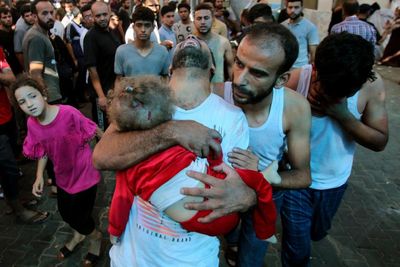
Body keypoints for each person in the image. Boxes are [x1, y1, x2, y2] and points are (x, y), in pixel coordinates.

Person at [107, 35, 257, 266]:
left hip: (191, 257)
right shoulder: (141, 103)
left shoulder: (233, 117)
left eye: (200, 42)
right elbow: (102, 156)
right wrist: (175, 131)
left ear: (212, 68)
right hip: (134, 255)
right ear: (169, 68)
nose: (191, 37)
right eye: (183, 40)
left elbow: (236, 190)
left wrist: (250, 191)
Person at [107, 75, 276, 251]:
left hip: (196, 221)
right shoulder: (178, 140)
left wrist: (114, 231)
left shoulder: (126, 161)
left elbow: (120, 201)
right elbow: (211, 153)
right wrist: (216, 162)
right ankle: (266, 226)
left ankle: (264, 187)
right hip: (213, 216)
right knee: (256, 182)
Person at [283, 32, 388, 266]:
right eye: (325, 86)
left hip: (334, 183)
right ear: (315, 67)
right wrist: (299, 109)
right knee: (297, 248)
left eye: (340, 93)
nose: (328, 94)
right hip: (295, 180)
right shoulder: (298, 79)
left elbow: (380, 141)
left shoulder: (371, 85)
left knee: (317, 232)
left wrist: (343, 115)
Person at [214, 22, 312, 267]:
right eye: (238, 63)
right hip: (221, 189)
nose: (240, 80)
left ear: (281, 79)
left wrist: (265, 176)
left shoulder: (294, 108)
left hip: (266, 195)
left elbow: (303, 176)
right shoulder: (215, 96)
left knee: (250, 260)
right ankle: (232, 240)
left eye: (257, 73)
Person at [12, 74, 104, 266]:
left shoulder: (68, 113)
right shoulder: (32, 123)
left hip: (84, 173)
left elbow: (94, 130)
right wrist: (38, 176)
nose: (29, 104)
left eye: (32, 96)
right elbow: (43, 149)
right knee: (66, 213)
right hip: (63, 176)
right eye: (22, 101)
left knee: (80, 216)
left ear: (44, 94)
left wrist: (111, 154)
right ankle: (79, 236)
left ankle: (95, 238)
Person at [84, 1, 121, 130]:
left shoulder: (111, 32)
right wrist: (101, 96)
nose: (102, 18)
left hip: (114, 90)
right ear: (93, 17)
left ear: (110, 12)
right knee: (103, 131)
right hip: (102, 93)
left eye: (104, 14)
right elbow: (92, 69)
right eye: (98, 16)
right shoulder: (91, 37)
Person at [114, 6, 169, 81]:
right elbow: (118, 80)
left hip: (156, 92)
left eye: (147, 25)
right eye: (139, 25)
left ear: (153, 27)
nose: (143, 30)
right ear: (133, 27)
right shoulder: (121, 51)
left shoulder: (162, 52)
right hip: (130, 92)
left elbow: (166, 79)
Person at [193, 3, 233, 85]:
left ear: (213, 19)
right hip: (196, 90)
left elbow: (231, 67)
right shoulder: (189, 43)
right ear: (194, 21)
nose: (203, 22)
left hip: (218, 89)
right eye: (199, 18)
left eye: (206, 18)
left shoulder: (224, 42)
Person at [281, 0, 319, 68]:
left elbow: (313, 53)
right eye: (290, 7)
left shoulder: (310, 27)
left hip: (301, 67)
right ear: (286, 8)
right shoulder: (282, 26)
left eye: (296, 7)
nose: (293, 10)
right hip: (284, 66)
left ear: (302, 8)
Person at [0, 7, 23, 75]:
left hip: (19, 67)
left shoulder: (14, 32)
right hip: (7, 70)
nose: (8, 19)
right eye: (4, 17)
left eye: (9, 16)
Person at [14, 3, 35, 68]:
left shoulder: (35, 21)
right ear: (23, 17)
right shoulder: (20, 29)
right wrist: (26, 68)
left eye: (31, 14)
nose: (30, 18)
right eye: (27, 16)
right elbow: (18, 52)